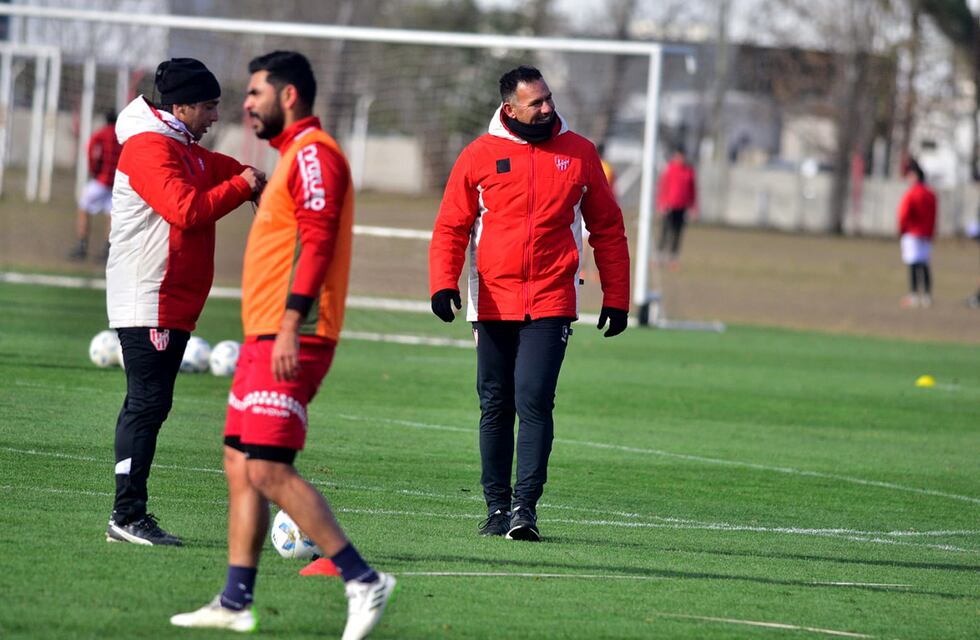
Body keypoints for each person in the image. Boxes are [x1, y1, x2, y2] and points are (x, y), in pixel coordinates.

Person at [170, 51, 395, 639]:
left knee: (267, 466)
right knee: (241, 465)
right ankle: (234, 601)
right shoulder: (291, 156)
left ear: (289, 95)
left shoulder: (315, 154)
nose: (245, 104)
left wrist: (293, 323)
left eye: (255, 93)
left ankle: (362, 578)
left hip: (295, 334)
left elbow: (318, 243)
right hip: (263, 335)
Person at [429, 65, 631, 541]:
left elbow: (608, 228)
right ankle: (496, 508)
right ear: (510, 107)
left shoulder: (580, 153)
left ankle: (525, 509)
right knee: (496, 403)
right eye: (535, 102)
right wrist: (443, 283)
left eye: (548, 99)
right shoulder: (479, 155)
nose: (546, 108)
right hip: (492, 299)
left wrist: (617, 297)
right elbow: (451, 226)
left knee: (534, 397)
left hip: (552, 297)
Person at [105, 58, 265, 546]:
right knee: (146, 404)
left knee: (153, 404)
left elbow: (239, 171)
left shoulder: (185, 149)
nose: (216, 117)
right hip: (147, 296)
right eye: (210, 106)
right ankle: (126, 516)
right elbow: (186, 211)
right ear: (181, 105)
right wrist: (242, 187)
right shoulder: (149, 148)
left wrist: (260, 182)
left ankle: (129, 515)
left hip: (173, 300)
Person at [69, 110, 122, 261]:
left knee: (83, 207)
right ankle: (107, 250)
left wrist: (94, 168)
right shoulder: (121, 137)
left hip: (101, 180)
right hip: (115, 184)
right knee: (111, 216)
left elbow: (91, 147)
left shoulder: (102, 133)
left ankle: (81, 246)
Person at [896, 159, 937, 308]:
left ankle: (913, 294)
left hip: (912, 233)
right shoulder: (931, 194)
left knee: (913, 264)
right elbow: (934, 215)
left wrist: (902, 230)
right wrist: (931, 232)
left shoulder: (912, 193)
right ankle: (927, 295)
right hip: (926, 234)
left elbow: (903, 214)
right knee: (924, 264)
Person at [655, 147, 698, 270]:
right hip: (669, 206)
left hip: (682, 207)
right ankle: (659, 256)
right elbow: (663, 187)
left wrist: (693, 207)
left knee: (677, 233)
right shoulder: (669, 169)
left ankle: (673, 259)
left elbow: (693, 191)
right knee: (665, 231)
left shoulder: (689, 171)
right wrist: (661, 204)